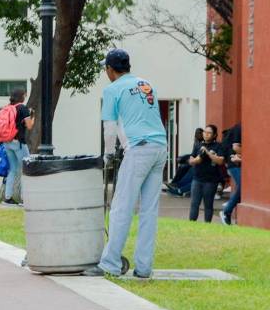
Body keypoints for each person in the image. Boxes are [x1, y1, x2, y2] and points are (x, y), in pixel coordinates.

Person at [85, 49, 168, 278]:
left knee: (121, 206)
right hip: (160, 147)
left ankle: (110, 263)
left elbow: (110, 128)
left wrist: (109, 155)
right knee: (149, 211)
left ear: (110, 70)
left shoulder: (112, 89)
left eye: (106, 69)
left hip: (139, 149)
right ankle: (144, 268)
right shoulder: (146, 84)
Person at [0, 87, 34, 204]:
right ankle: (24, 199)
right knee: (26, 169)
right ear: (22, 96)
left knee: (12, 169)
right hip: (19, 143)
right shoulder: (23, 108)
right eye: (24, 94)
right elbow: (29, 126)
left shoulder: (8, 108)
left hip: (7, 142)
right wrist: (33, 116)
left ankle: (7, 198)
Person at [187, 124, 225, 223]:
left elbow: (220, 161)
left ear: (215, 135)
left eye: (209, 133)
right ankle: (191, 224)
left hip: (211, 180)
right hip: (197, 178)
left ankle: (207, 225)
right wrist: (195, 160)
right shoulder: (198, 145)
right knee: (194, 203)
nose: (206, 134)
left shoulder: (218, 146)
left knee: (208, 204)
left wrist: (208, 153)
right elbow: (191, 160)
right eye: (205, 132)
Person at [164, 127, 203, 197]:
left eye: (200, 133)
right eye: (197, 133)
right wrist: (185, 159)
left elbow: (200, 156)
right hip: (195, 161)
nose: (199, 135)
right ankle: (175, 184)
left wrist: (191, 160)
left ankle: (178, 187)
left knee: (192, 169)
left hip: (199, 164)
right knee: (183, 166)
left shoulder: (204, 144)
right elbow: (193, 154)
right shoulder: (196, 143)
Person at [221, 123, 242, 225]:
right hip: (234, 164)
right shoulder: (239, 128)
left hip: (237, 162)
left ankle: (229, 206)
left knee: (243, 187)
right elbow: (236, 147)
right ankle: (227, 210)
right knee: (243, 186)